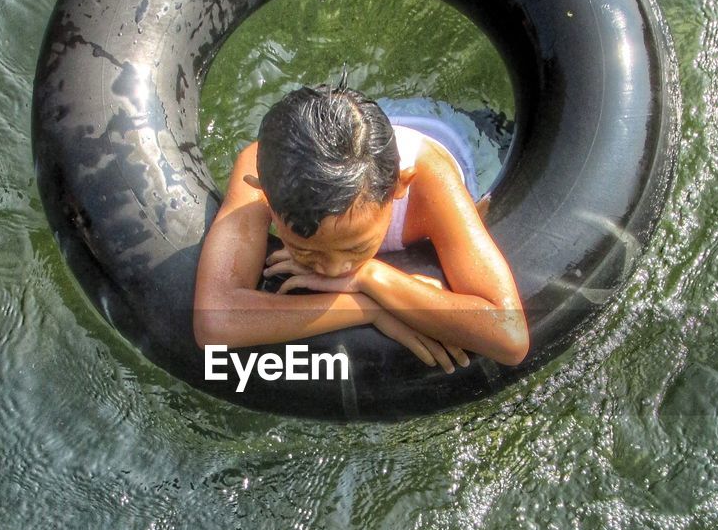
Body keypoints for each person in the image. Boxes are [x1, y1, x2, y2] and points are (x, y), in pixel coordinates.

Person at [193, 84, 529, 372]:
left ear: (400, 186)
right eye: (305, 250)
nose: (334, 270)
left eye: (355, 249)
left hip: (470, 133)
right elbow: (215, 322)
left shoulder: (426, 181)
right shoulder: (261, 172)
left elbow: (510, 337)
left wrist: (370, 277)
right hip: (341, 144)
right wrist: (368, 307)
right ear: (263, 193)